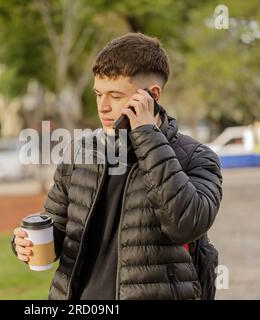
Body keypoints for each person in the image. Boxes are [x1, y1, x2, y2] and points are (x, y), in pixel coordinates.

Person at [12, 32, 223, 300]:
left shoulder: (196, 157)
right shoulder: (79, 152)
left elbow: (187, 224)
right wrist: (26, 243)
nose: (103, 106)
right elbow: (58, 227)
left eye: (115, 95)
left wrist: (146, 135)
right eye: (98, 94)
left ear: (152, 96)